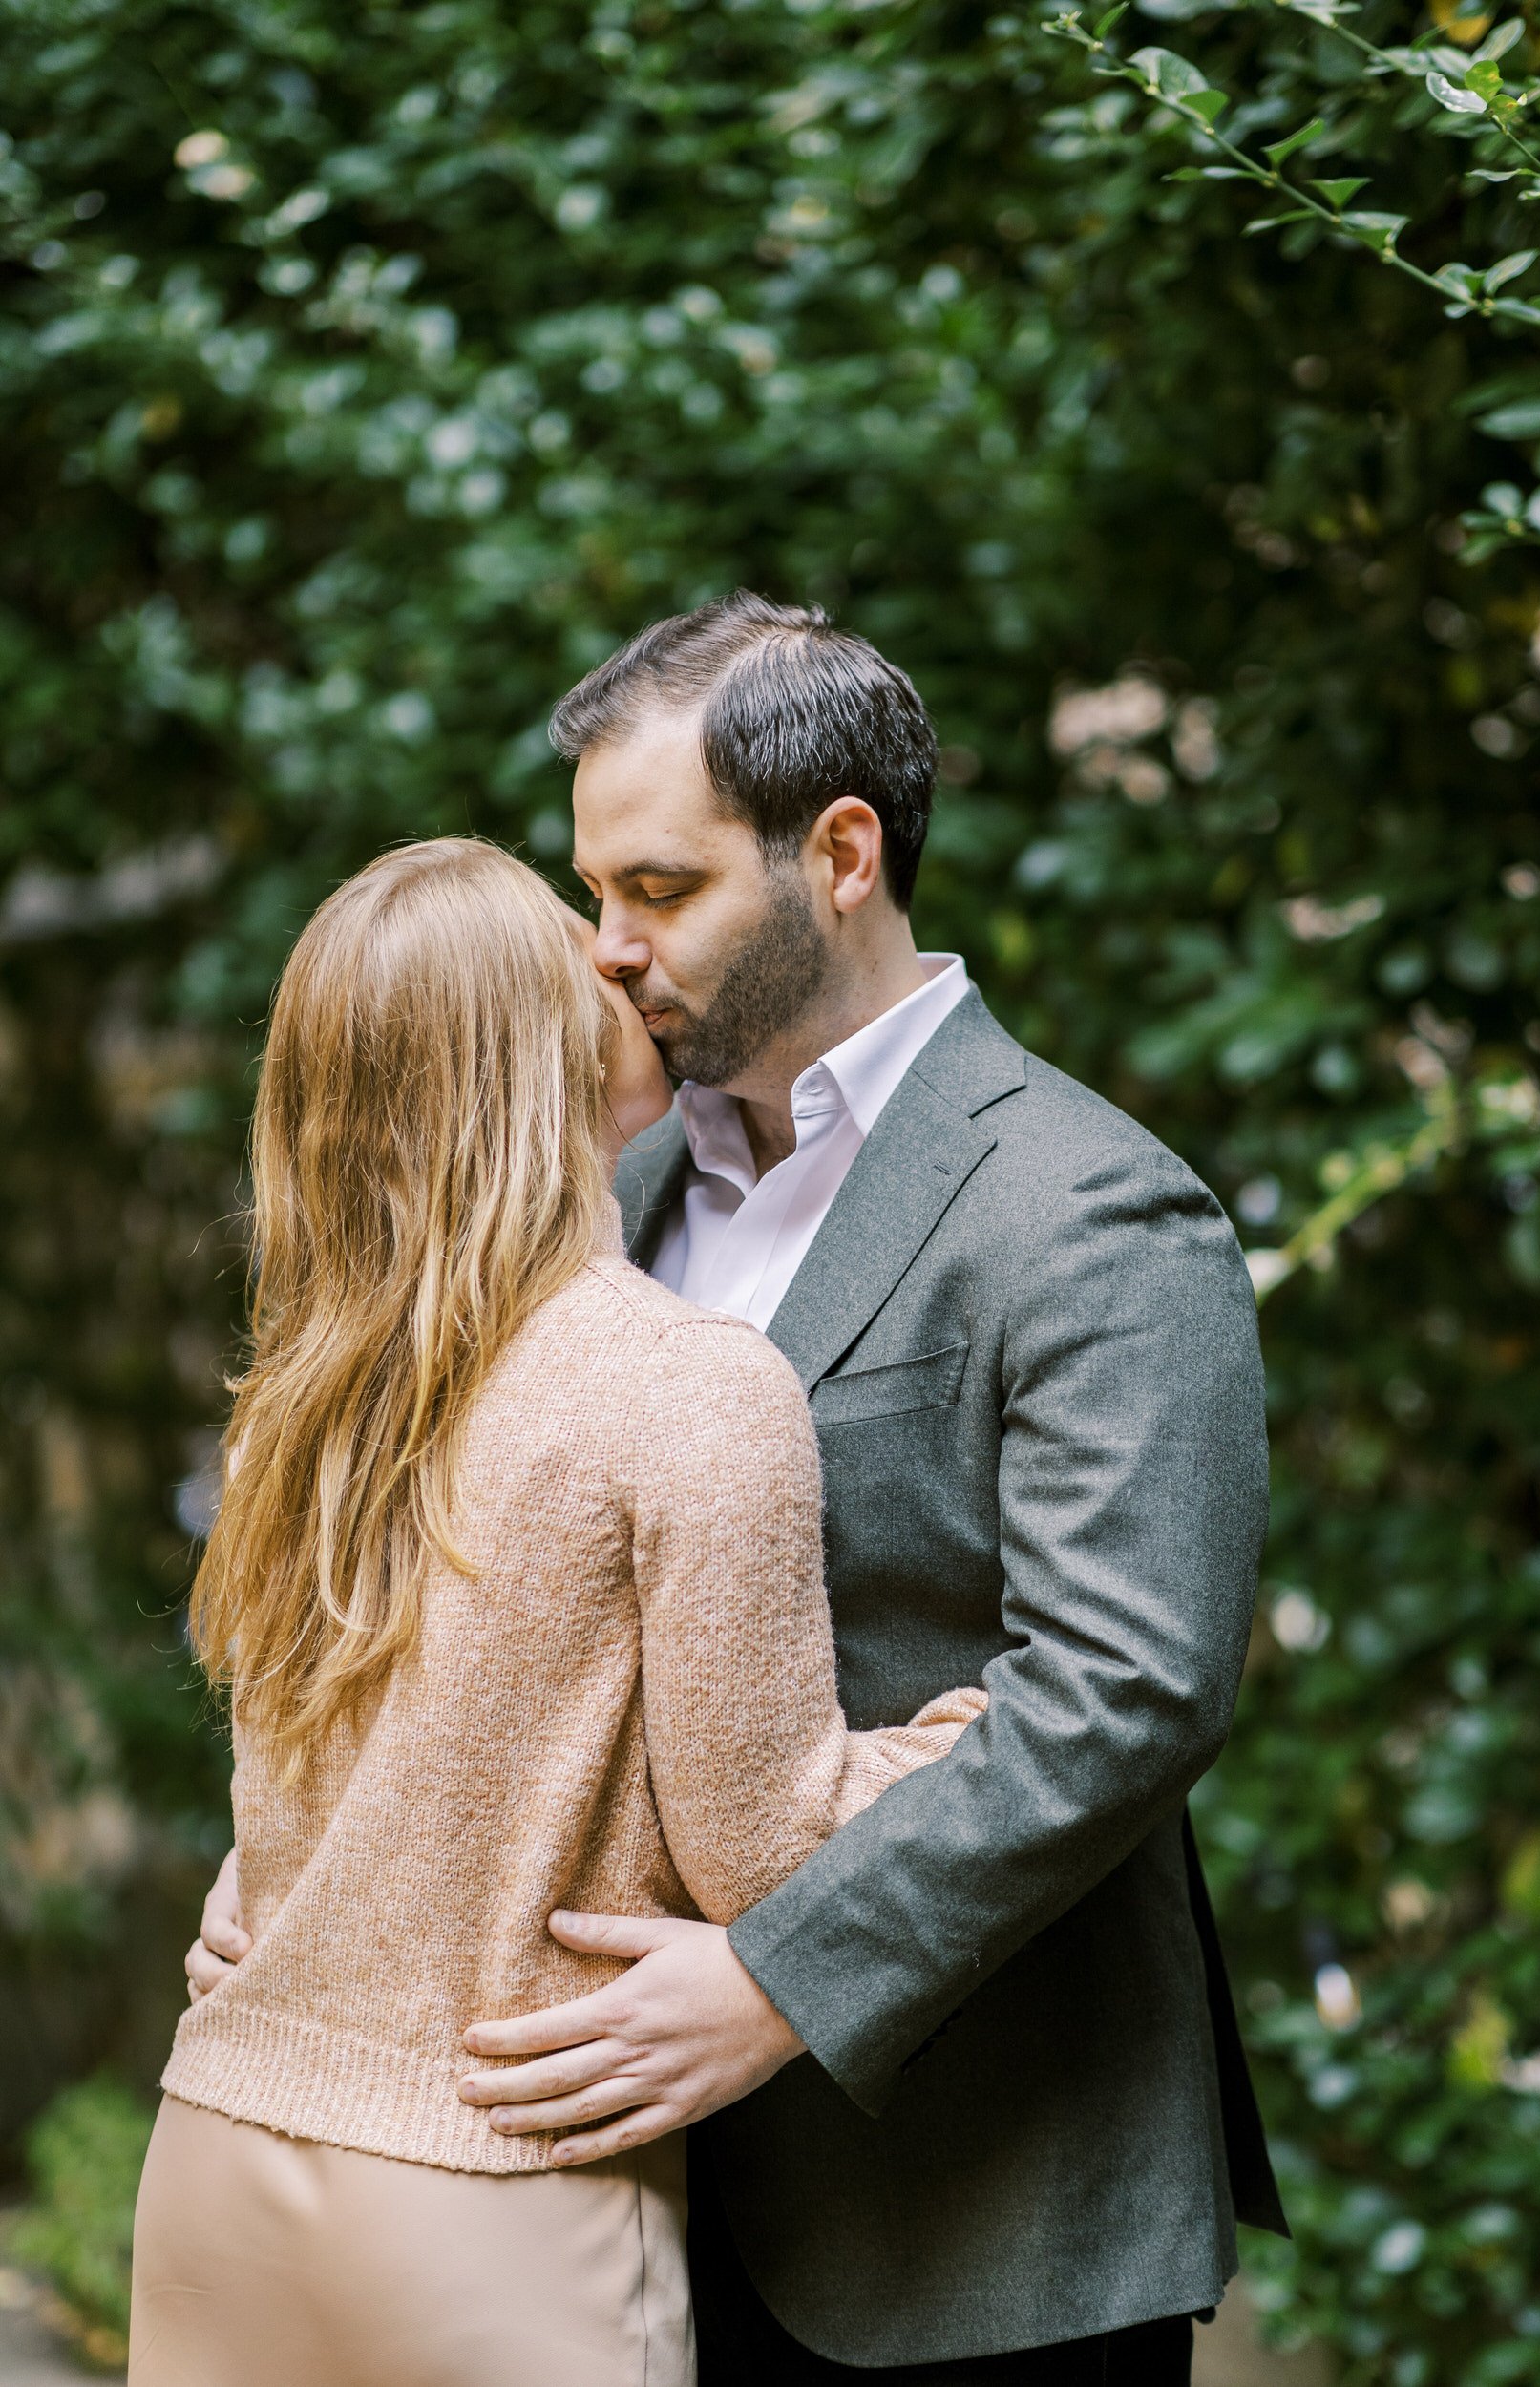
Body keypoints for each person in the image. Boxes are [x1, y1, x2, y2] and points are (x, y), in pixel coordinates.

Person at [190, 594, 1286, 2384]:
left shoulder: (1091, 1211)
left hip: (967, 2211)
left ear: (839, 854)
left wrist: (786, 1975)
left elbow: (1129, 1687)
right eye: (595, 893)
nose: (606, 949)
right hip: (575, 2197)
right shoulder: (585, 1194)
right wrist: (296, 1874)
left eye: (660, 889)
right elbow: (442, 1582)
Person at [136, 837, 982, 2387]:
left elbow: (307, 1796)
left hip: (215, 2160)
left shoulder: (300, 1401)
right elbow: (765, 1851)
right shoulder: (689, 1385)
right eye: (571, 947)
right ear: (526, 1053)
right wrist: (970, 1737)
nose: (618, 963)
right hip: (496, 2191)